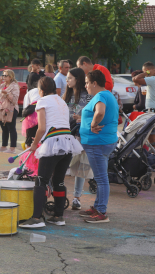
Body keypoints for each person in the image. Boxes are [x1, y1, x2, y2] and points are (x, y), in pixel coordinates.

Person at [19, 77, 83, 228]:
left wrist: (34, 145)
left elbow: (41, 128)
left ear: (41, 90)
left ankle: (36, 218)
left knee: (41, 180)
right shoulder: (61, 101)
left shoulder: (42, 101)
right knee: (58, 181)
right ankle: (58, 216)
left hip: (53, 143)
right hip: (67, 143)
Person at [79, 70, 118, 223]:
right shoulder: (108, 94)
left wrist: (93, 123)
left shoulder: (101, 95)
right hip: (102, 141)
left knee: (101, 179)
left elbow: (100, 112)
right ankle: (98, 207)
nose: (86, 85)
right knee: (101, 177)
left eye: (87, 83)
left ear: (94, 83)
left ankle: (101, 211)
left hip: (98, 142)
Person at [63, 68, 92, 210]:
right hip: (66, 134)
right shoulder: (67, 95)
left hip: (81, 135)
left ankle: (76, 198)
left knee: (81, 167)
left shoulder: (88, 96)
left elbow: (93, 114)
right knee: (62, 165)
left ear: (78, 79)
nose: (67, 80)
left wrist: (82, 118)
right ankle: (59, 194)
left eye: (70, 78)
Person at [0, 69, 20, 153]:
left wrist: (7, 94)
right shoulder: (2, 85)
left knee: (11, 128)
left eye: (5, 75)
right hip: (1, 109)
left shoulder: (14, 86)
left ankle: (12, 148)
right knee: (4, 128)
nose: (3, 77)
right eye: (3, 75)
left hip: (10, 110)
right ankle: (4, 146)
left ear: (10, 77)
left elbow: (15, 100)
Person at [133, 61, 155, 150]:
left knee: (152, 139)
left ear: (147, 70)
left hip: (152, 112)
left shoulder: (153, 79)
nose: (145, 74)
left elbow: (135, 79)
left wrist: (145, 73)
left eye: (144, 71)